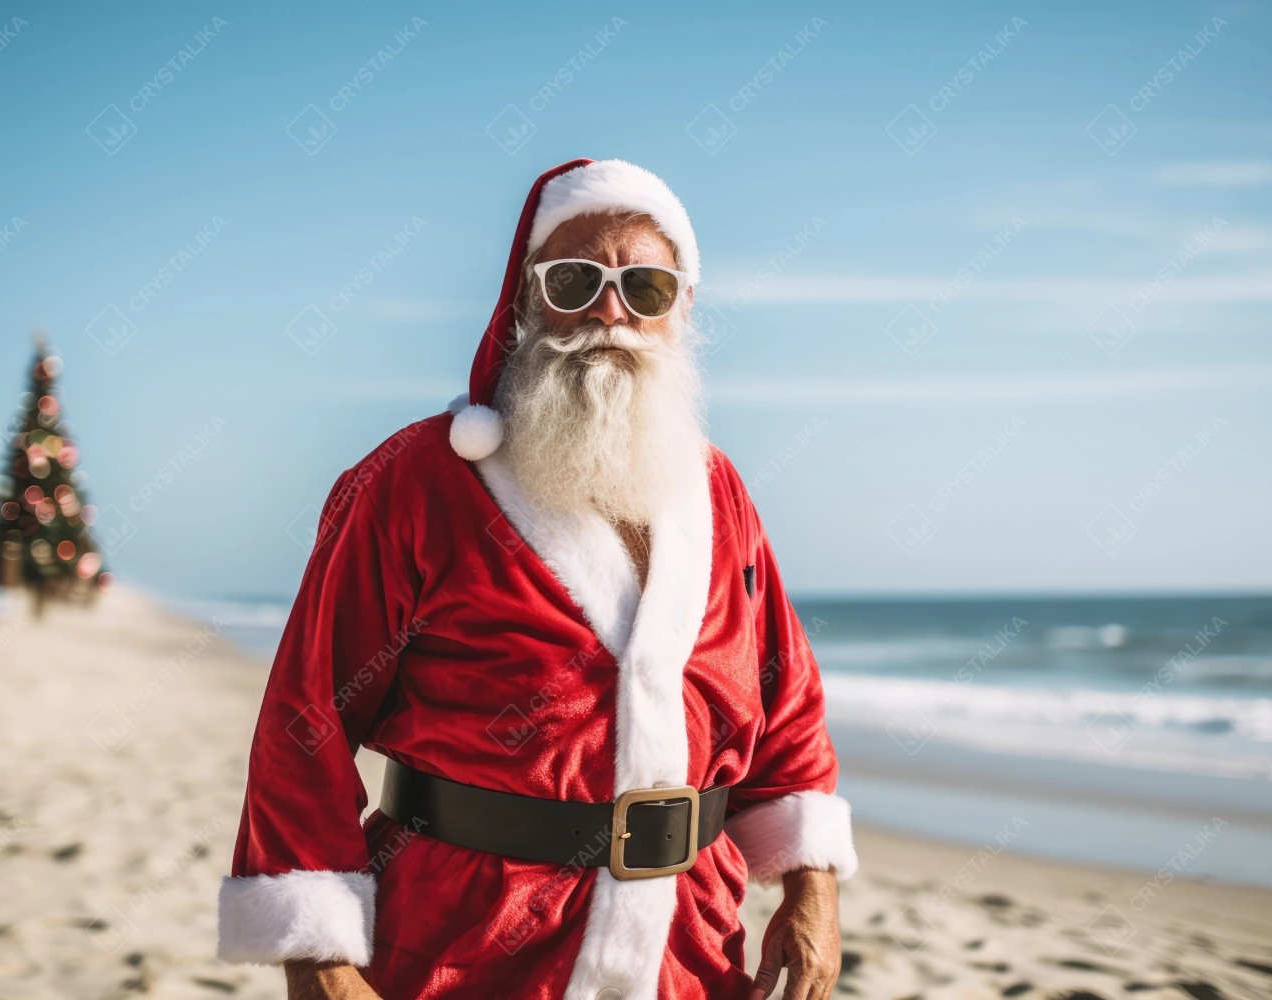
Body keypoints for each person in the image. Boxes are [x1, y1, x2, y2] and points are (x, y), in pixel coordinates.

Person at [217, 159, 856, 1000]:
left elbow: (785, 705)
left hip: (687, 948)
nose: (610, 310)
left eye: (647, 288)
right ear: (523, 298)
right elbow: (308, 719)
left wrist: (812, 889)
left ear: (684, 310)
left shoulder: (718, 491)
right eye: (576, 280)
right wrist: (322, 958)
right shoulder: (413, 481)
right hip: (465, 944)